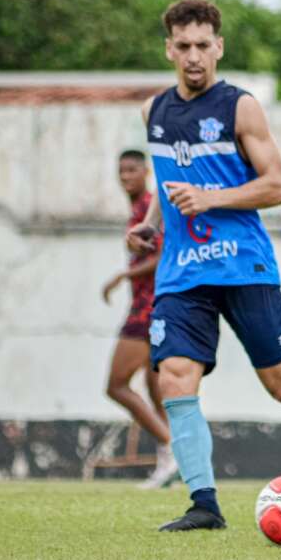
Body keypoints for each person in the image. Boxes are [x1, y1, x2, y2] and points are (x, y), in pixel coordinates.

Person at [126, 0, 281, 532]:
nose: (194, 56)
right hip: (181, 273)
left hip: (243, 267)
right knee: (175, 378)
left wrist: (210, 199)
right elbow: (169, 185)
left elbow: (279, 186)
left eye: (203, 46)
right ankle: (204, 505)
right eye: (183, 46)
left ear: (219, 47)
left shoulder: (240, 108)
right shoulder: (154, 111)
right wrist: (153, 222)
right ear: (169, 49)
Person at [101, 150, 177, 489]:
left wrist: (122, 276)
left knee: (116, 385)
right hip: (153, 307)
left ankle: (170, 446)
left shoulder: (149, 206)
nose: (125, 176)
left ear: (146, 171)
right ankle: (169, 463)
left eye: (132, 169)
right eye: (121, 171)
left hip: (148, 310)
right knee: (153, 386)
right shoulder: (136, 208)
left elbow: (162, 257)